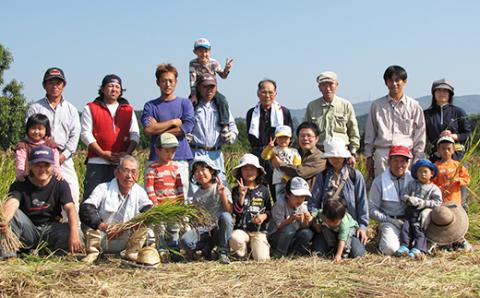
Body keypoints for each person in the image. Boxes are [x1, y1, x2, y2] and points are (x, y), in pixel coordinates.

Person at [0, 146, 82, 259]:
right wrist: (4, 222)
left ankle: (55, 256)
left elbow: (70, 208)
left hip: (50, 229)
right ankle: (9, 257)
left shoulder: (60, 184)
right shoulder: (20, 184)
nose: (42, 169)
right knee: (12, 216)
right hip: (28, 230)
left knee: (76, 232)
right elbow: (12, 202)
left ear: (53, 166)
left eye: (46, 165)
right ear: (30, 166)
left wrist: (74, 233)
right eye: (38, 165)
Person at [79, 155, 153, 263]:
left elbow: (148, 210)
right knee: (90, 223)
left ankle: (132, 253)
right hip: (103, 235)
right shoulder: (102, 188)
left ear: (137, 175)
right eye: (125, 171)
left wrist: (128, 227)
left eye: (133, 172)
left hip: (126, 236)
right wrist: (103, 226)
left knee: (145, 226)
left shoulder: (140, 191)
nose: (129, 176)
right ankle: (93, 253)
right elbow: (86, 208)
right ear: (116, 173)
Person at [27, 67, 81, 210]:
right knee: (36, 197)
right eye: (51, 82)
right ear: (45, 85)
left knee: (72, 197)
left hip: (65, 159)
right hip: (40, 159)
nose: (55, 86)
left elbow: (75, 135)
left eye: (58, 83)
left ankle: (73, 230)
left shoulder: (71, 109)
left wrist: (64, 155)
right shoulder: (35, 108)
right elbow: (30, 133)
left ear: (64, 86)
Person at [80, 74, 140, 200]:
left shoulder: (128, 109)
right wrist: (102, 153)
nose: (114, 89)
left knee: (119, 196)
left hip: (121, 163)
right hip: (97, 161)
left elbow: (135, 134)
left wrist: (126, 154)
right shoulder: (90, 108)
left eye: (117, 87)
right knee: (93, 196)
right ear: (102, 89)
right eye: (110, 86)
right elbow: (85, 134)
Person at [364, 65, 426, 180]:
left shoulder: (414, 106)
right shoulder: (377, 105)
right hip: (383, 154)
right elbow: (370, 132)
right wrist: (368, 157)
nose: (394, 84)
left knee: (406, 191)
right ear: (386, 82)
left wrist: (418, 158)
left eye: (397, 80)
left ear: (404, 81)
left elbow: (420, 134)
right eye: (390, 80)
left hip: (406, 155)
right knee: (383, 189)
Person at [308, 137, 368, 255]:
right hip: (326, 223)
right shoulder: (323, 176)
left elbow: (362, 202)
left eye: (338, 156)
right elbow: (314, 201)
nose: (335, 159)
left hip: (348, 223)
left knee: (357, 254)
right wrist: (314, 220)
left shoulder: (355, 175)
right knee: (318, 253)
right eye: (332, 156)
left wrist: (362, 227)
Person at [142, 64, 194, 197]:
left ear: (176, 82)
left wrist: (158, 129)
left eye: (171, 81)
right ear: (157, 82)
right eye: (164, 81)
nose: (168, 84)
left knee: (181, 199)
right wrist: (173, 122)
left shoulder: (185, 103)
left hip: (180, 158)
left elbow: (187, 126)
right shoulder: (150, 105)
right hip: (156, 159)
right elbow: (148, 129)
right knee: (153, 199)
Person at [188, 74, 238, 194]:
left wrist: (231, 135)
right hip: (196, 153)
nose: (209, 90)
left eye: (212, 87)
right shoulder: (192, 105)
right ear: (199, 87)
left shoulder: (221, 106)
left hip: (215, 155)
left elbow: (233, 128)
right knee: (195, 190)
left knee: (220, 188)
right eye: (205, 87)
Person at [180, 156, 233, 264]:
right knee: (185, 241)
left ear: (211, 171)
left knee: (226, 217)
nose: (200, 173)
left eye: (203, 169)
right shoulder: (196, 195)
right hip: (204, 229)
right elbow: (196, 219)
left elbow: (229, 210)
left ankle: (223, 251)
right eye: (196, 171)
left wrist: (222, 194)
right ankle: (207, 247)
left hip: (219, 228)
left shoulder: (220, 187)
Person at [246, 79, 293, 199]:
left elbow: (290, 136)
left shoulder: (283, 112)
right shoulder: (252, 113)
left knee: (278, 189)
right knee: (257, 189)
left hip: (277, 155)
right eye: (264, 92)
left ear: (275, 94)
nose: (267, 95)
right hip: (258, 154)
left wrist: (275, 153)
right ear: (258, 93)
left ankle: (279, 215)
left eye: (271, 92)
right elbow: (250, 137)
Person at [304, 71, 360, 164]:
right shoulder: (312, 106)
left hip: (341, 153)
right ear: (319, 88)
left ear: (337, 85)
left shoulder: (345, 105)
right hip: (319, 153)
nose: (327, 88)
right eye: (323, 85)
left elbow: (353, 131)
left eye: (331, 84)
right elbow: (306, 131)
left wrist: (353, 153)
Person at [369, 145, 414, 256]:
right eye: (395, 161)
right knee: (390, 249)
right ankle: (383, 235)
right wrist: (389, 220)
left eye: (403, 161)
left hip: (411, 221)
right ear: (389, 161)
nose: (399, 165)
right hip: (390, 222)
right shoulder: (379, 181)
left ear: (408, 163)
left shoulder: (414, 179)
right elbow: (371, 209)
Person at [145, 132, 184, 251]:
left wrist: (181, 202)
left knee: (174, 228)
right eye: (167, 151)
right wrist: (155, 204)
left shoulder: (175, 168)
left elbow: (179, 187)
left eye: (173, 151)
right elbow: (150, 188)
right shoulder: (152, 169)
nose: (170, 154)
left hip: (173, 206)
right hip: (160, 207)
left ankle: (174, 250)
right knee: (160, 228)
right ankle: (161, 250)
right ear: (157, 150)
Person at [395, 159, 442, 258]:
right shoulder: (412, 184)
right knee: (406, 228)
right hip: (410, 211)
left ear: (431, 174)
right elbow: (403, 194)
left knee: (419, 230)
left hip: (422, 213)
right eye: (420, 172)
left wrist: (424, 203)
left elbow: (438, 202)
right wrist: (408, 199)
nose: (422, 174)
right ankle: (404, 246)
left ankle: (418, 248)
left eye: (425, 172)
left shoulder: (434, 189)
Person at [229, 154, 272, 261]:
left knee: (262, 259)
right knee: (235, 238)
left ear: (258, 171)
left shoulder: (264, 190)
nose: (249, 172)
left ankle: (253, 248)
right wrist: (242, 196)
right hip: (241, 229)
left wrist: (263, 216)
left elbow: (269, 210)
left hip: (258, 231)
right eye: (245, 169)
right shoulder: (236, 190)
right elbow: (237, 212)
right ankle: (242, 254)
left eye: (252, 169)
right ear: (240, 172)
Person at [189, 38, 233, 135]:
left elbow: (223, 76)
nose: (203, 54)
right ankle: (189, 127)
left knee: (222, 100)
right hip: (198, 89)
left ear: (210, 51)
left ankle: (225, 125)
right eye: (200, 51)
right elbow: (192, 80)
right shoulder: (193, 63)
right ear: (195, 52)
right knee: (189, 104)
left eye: (206, 51)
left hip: (211, 89)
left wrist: (226, 69)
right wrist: (193, 95)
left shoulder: (214, 63)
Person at [424, 79, 472, 162]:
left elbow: (468, 134)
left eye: (445, 91)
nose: (441, 93)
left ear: (450, 94)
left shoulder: (459, 112)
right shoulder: (426, 114)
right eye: (438, 90)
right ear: (433, 93)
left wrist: (454, 136)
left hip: (457, 157)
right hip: (434, 158)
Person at [268, 177, 314, 257]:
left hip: (291, 237)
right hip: (276, 237)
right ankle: (279, 254)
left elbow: (304, 227)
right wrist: (291, 219)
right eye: (296, 196)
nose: (300, 200)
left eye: (302, 197)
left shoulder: (302, 206)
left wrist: (306, 220)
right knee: (289, 229)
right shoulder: (280, 203)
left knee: (307, 233)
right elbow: (279, 225)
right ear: (287, 194)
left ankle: (296, 254)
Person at [276, 122, 326, 192]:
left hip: (310, 199)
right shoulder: (292, 152)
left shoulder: (321, 157)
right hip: (289, 195)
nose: (305, 138)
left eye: (309, 136)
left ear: (317, 138)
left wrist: (281, 164)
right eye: (302, 136)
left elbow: (300, 173)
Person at [16, 113, 61, 181]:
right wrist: (20, 174)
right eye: (33, 128)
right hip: (28, 178)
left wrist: (57, 172)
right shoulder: (23, 145)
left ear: (46, 130)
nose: (36, 132)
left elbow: (55, 160)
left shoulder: (51, 144)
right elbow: (20, 161)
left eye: (40, 129)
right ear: (28, 129)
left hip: (48, 178)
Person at [261, 125, 301, 200]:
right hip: (278, 180)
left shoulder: (294, 151)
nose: (283, 140)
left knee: (291, 198)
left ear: (290, 139)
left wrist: (288, 176)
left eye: (285, 138)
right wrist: (269, 147)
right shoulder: (274, 150)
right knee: (280, 198)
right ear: (276, 139)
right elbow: (264, 156)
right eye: (280, 137)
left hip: (290, 180)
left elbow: (297, 164)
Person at [432, 136, 470, 208]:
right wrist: (440, 188)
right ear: (438, 150)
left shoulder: (458, 165)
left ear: (453, 150)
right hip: (440, 200)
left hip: (455, 200)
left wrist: (458, 180)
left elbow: (467, 179)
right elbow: (431, 182)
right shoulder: (435, 166)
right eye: (443, 148)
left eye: (449, 149)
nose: (446, 151)